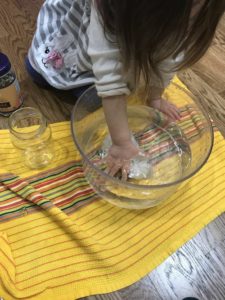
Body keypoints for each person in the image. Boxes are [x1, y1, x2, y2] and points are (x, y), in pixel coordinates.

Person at [26, 0, 225, 179]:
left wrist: (155, 97)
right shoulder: (110, 7)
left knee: (98, 101)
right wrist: (121, 142)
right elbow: (109, 78)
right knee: (39, 73)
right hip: (75, 39)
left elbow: (169, 59)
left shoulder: (192, 15)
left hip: (125, 31)